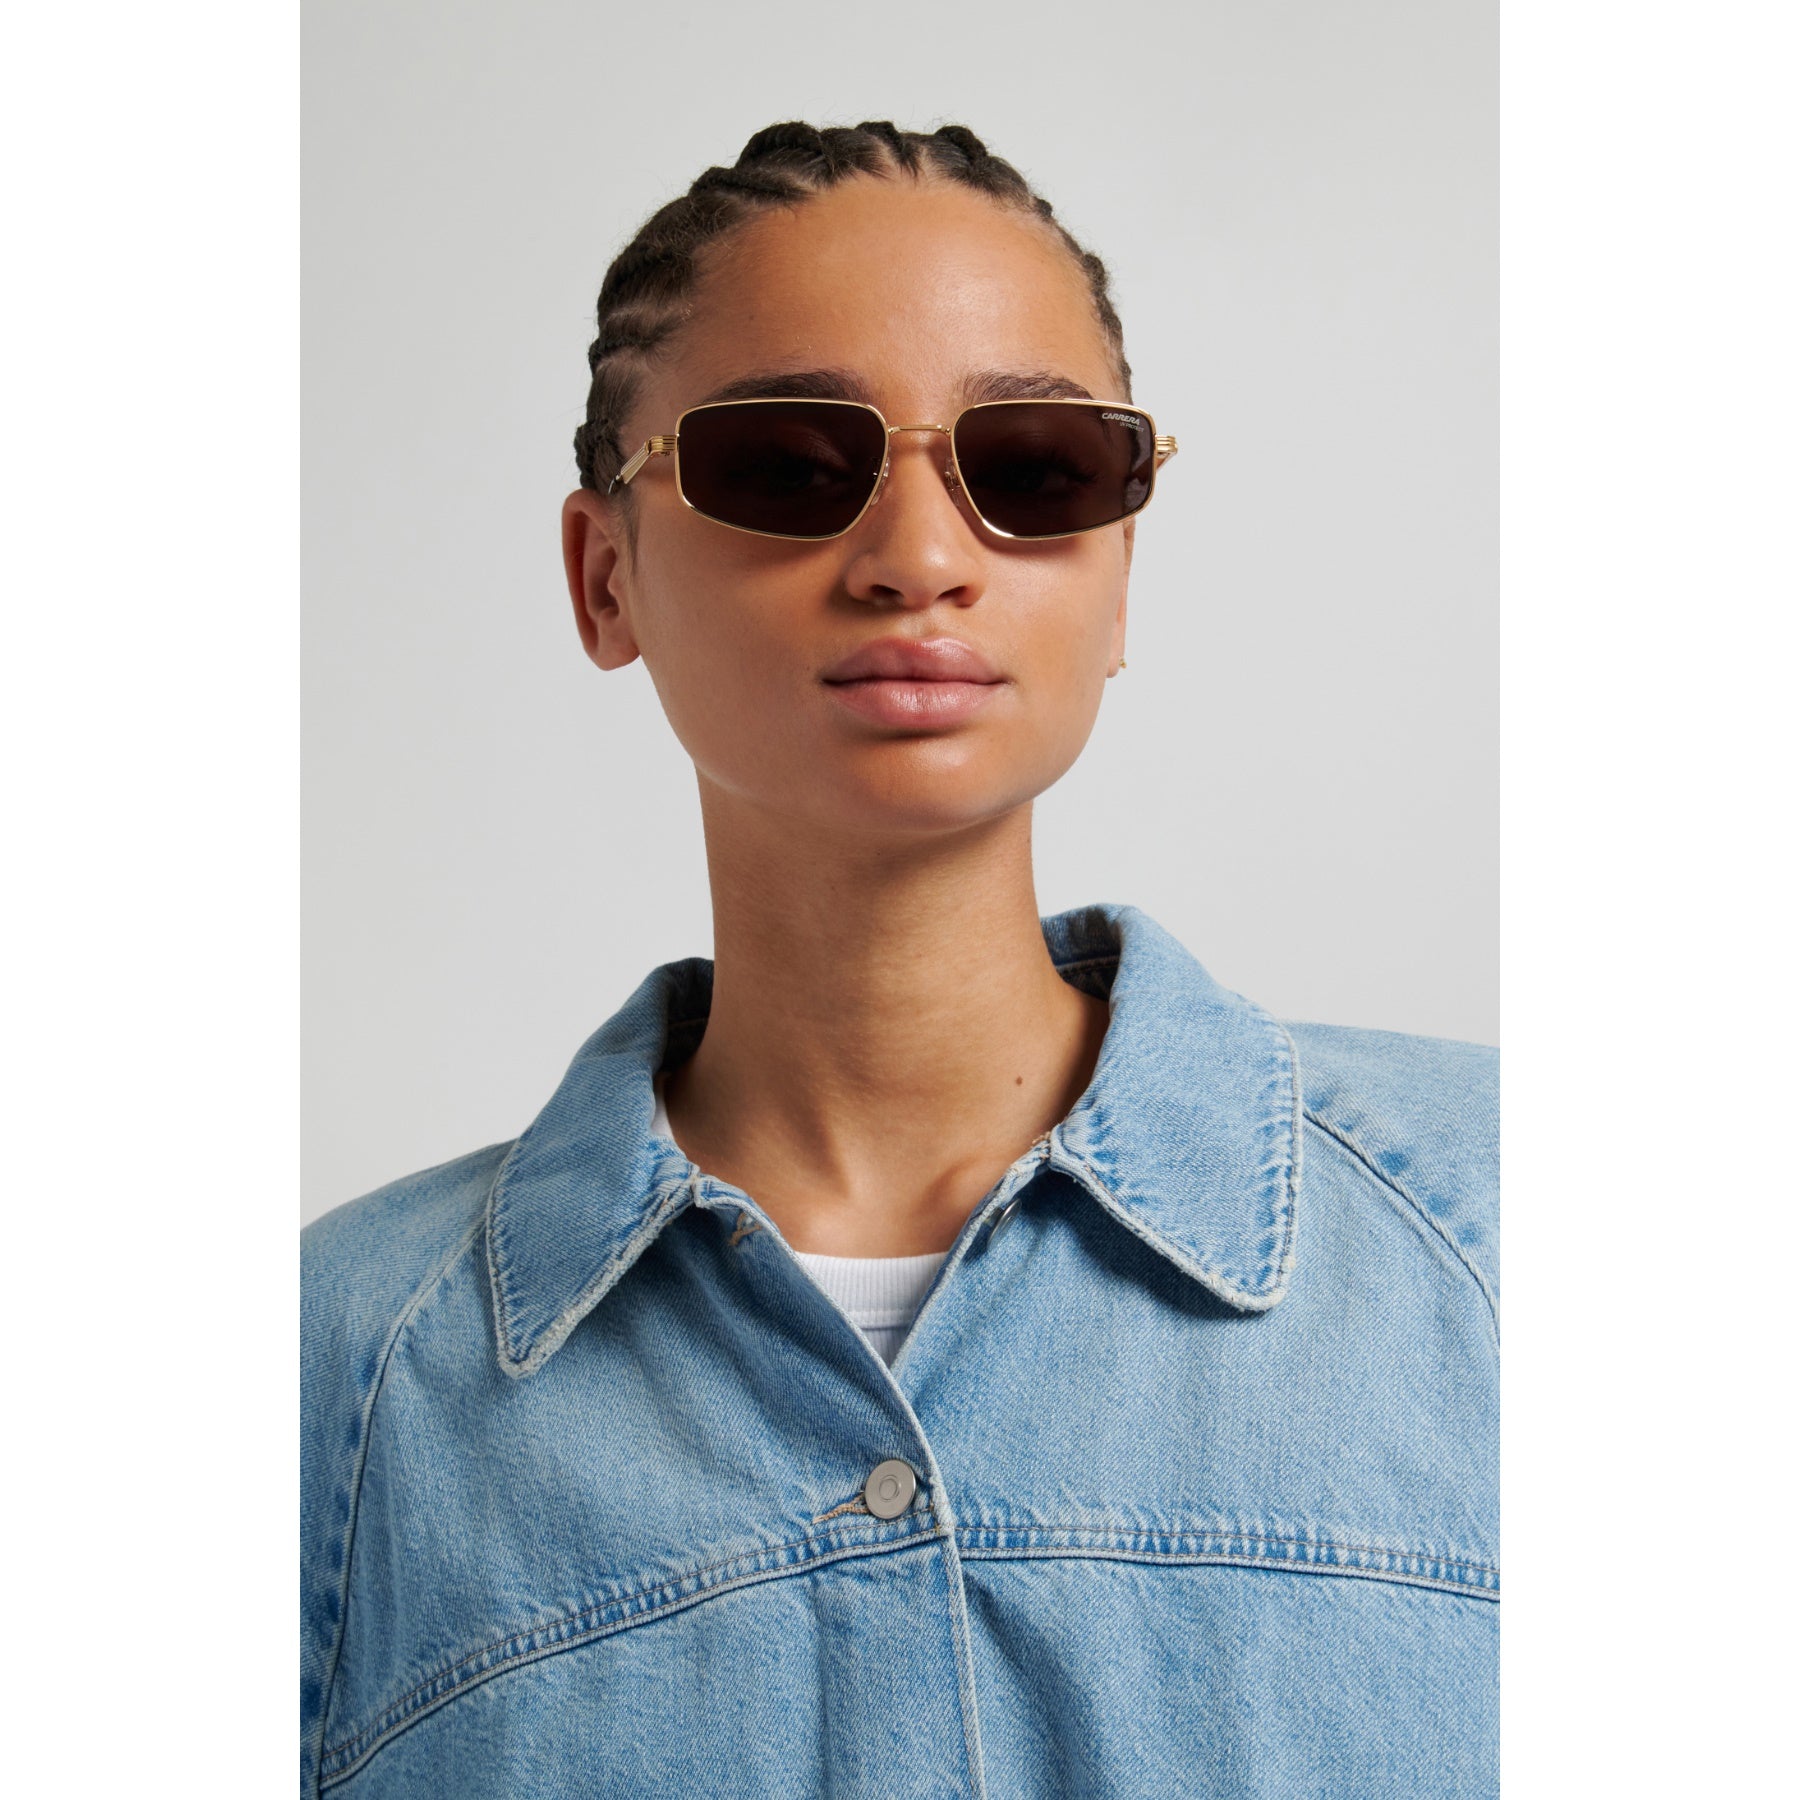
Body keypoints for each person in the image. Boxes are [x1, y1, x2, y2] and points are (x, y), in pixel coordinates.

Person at [301, 120, 1498, 1798]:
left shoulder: (1513, 1232)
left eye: (1037, 467)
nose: (921, 560)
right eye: (790, 465)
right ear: (603, 575)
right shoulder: (327, 1379)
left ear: (1122, 574)